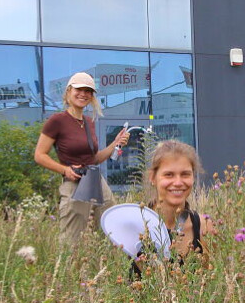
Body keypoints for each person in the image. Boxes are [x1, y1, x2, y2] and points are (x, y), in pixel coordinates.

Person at [34, 72, 131, 244]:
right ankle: (69, 271)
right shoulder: (57, 121)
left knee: (111, 226)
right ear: (69, 91)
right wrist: (65, 170)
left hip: (94, 179)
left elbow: (93, 159)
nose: (83, 94)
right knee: (72, 241)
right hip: (74, 183)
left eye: (88, 91)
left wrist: (115, 143)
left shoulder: (89, 122)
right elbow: (39, 155)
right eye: (79, 89)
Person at [144, 140, 205, 260]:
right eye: (169, 175)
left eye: (185, 174)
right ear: (152, 178)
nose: (178, 183)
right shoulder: (135, 224)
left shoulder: (203, 226)